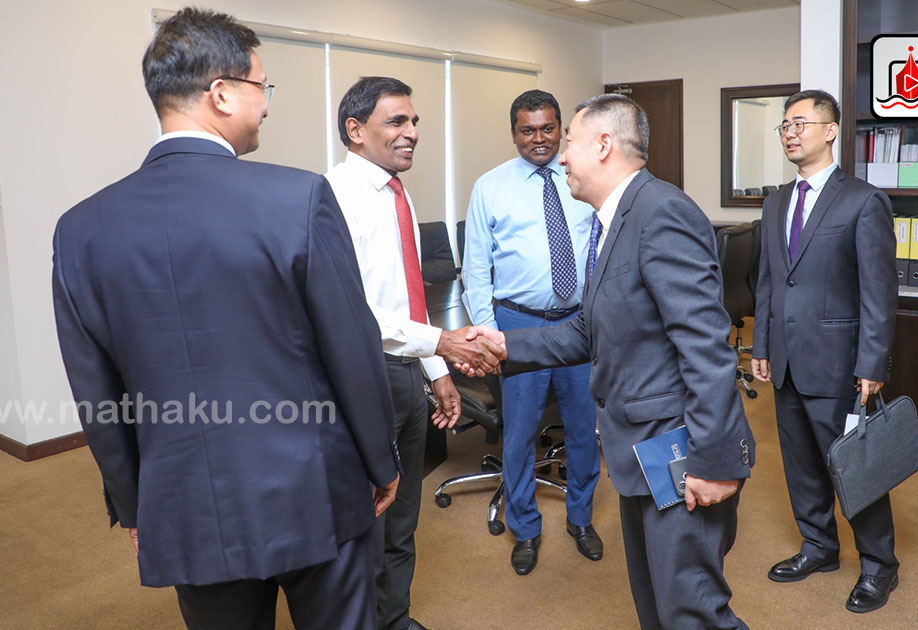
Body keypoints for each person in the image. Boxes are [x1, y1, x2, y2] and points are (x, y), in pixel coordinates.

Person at [51, 8, 399, 629]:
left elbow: (96, 392)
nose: (266, 105)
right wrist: (380, 462)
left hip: (185, 503)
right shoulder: (297, 198)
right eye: (263, 87)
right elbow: (352, 345)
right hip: (314, 488)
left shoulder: (79, 230)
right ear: (221, 93)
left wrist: (135, 505)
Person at [462, 94, 754, 630]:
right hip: (640, 448)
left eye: (569, 141)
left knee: (692, 610)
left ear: (602, 145)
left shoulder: (660, 213)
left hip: (679, 449)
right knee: (657, 603)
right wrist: (504, 345)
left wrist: (713, 461)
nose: (561, 155)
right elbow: (588, 330)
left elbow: (707, 348)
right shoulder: (614, 218)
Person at [326, 76, 500, 630]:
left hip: (406, 371)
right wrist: (443, 342)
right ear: (356, 130)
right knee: (367, 518)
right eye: (397, 121)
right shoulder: (334, 198)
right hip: (363, 376)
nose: (413, 132)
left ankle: (394, 617)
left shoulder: (396, 192)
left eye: (414, 121)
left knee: (403, 516)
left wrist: (437, 371)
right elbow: (352, 310)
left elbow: (407, 299)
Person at [751, 88, 900, 613]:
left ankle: (880, 565)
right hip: (786, 359)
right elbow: (768, 281)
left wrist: (871, 363)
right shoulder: (775, 201)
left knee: (855, 467)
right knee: (800, 464)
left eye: (801, 124)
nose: (790, 133)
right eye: (785, 126)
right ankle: (818, 546)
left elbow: (879, 291)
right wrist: (761, 343)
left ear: (831, 130)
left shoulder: (862, 199)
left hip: (840, 363)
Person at [462, 89, 602, 575]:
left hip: (578, 323)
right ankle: (524, 527)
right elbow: (475, 269)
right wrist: (487, 335)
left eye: (547, 129)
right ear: (514, 133)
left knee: (583, 427)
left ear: (561, 129)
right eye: (528, 130)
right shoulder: (490, 186)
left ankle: (581, 517)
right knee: (519, 432)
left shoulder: (583, 176)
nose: (538, 139)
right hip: (517, 324)